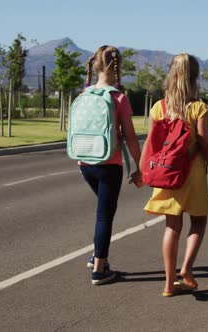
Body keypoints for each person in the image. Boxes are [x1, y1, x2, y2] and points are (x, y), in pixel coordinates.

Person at [141, 53, 208, 297]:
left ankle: (168, 284)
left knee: (172, 226)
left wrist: (141, 172)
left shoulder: (158, 107)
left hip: (166, 173)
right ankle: (187, 269)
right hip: (192, 174)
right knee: (199, 220)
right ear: (195, 78)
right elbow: (206, 146)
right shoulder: (198, 108)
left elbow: (150, 145)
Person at [80, 45, 143, 285]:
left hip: (84, 163)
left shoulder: (84, 94)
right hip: (109, 164)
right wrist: (140, 167)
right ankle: (99, 268)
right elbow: (131, 137)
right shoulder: (118, 98)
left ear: (95, 66)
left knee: (104, 210)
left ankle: (97, 254)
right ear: (118, 67)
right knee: (105, 215)